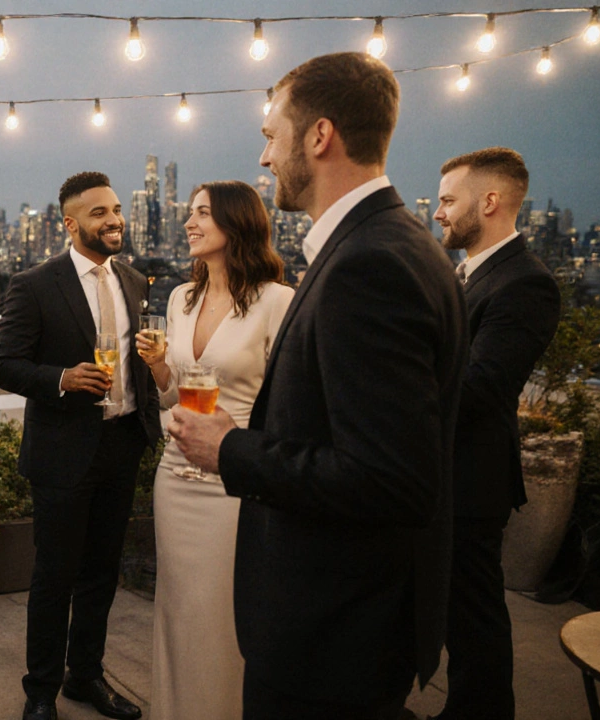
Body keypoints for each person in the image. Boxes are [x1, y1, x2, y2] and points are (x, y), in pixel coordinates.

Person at [167, 52, 468, 719]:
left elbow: (392, 479)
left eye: (272, 135)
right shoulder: (395, 245)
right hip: (348, 622)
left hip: (332, 635)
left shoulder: (370, 265)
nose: (266, 158)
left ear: (319, 137)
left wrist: (232, 450)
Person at [0, 172, 160, 720]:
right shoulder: (35, 283)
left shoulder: (136, 280)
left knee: (101, 572)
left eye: (116, 210)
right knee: (54, 576)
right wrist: (62, 379)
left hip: (123, 443)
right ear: (70, 224)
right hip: (64, 450)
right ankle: (40, 690)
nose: (114, 220)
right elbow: (7, 365)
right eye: (100, 213)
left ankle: (84, 676)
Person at [136, 180, 292, 720]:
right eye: (190, 213)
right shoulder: (181, 298)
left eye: (203, 213)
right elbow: (174, 395)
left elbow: (287, 406)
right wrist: (158, 370)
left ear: (237, 223)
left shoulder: (278, 302)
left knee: (225, 615)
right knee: (177, 611)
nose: (189, 222)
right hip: (174, 477)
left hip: (236, 481)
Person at [430, 148, 560, 720]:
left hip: (471, 481)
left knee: (473, 617)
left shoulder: (525, 283)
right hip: (439, 473)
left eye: (448, 200)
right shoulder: (464, 273)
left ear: (490, 201)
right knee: (451, 609)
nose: (437, 213)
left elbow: (479, 388)